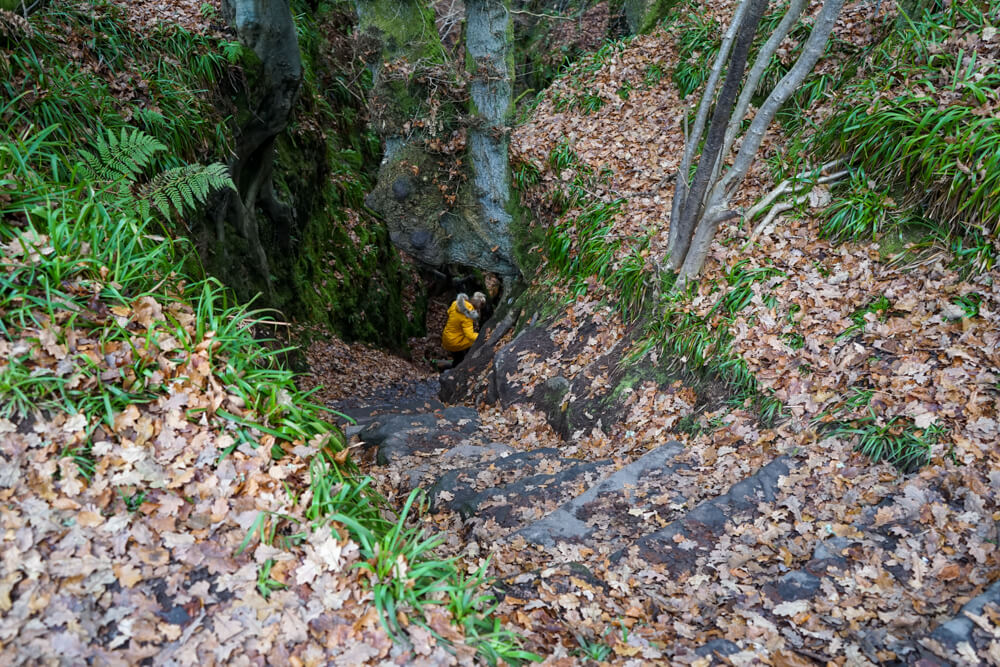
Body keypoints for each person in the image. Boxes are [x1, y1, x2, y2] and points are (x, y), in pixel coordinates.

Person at [442, 292, 486, 365]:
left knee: (457, 357)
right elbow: (469, 335)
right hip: (454, 342)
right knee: (474, 341)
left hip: (446, 337)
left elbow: (448, 312)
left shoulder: (455, 303)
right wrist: (483, 336)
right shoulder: (468, 315)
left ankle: (454, 365)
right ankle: (460, 367)